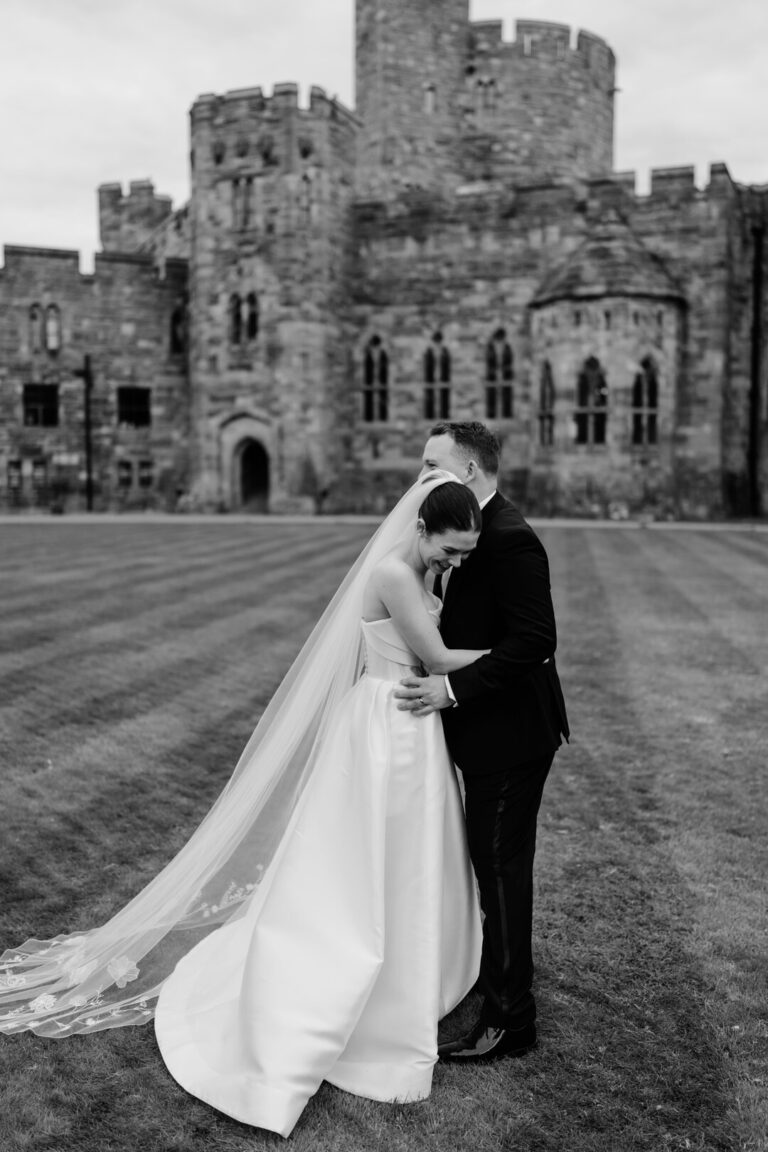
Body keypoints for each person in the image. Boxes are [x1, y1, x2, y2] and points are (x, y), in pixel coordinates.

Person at [0, 474, 487, 1138]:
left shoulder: (426, 572)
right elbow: (432, 656)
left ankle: (410, 966)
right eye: (450, 550)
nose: (453, 564)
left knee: (408, 855)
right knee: (366, 856)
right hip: (384, 725)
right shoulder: (396, 575)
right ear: (422, 529)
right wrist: (516, 656)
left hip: (411, 725)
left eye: (463, 555)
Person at [395, 422, 569, 1064]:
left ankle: (510, 1020)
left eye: (430, 464)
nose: (421, 477)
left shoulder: (511, 538)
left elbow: (535, 642)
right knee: (492, 866)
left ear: (467, 469)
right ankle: (497, 984)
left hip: (512, 735)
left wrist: (452, 691)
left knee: (499, 871)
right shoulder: (461, 528)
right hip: (488, 732)